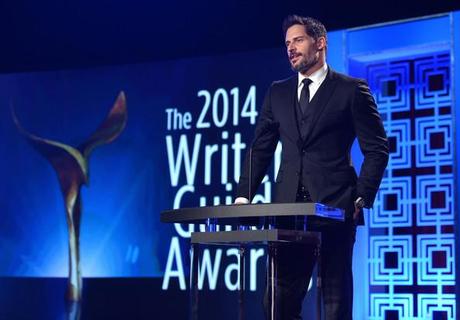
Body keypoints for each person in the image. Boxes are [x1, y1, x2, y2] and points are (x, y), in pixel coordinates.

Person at [234, 15, 389, 319]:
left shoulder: (351, 90)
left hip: (334, 209)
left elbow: (377, 148)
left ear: (320, 43)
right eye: (287, 43)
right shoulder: (277, 92)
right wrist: (244, 196)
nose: (291, 48)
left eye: (298, 40)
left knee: (334, 305)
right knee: (277, 304)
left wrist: (361, 197)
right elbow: (261, 148)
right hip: (288, 213)